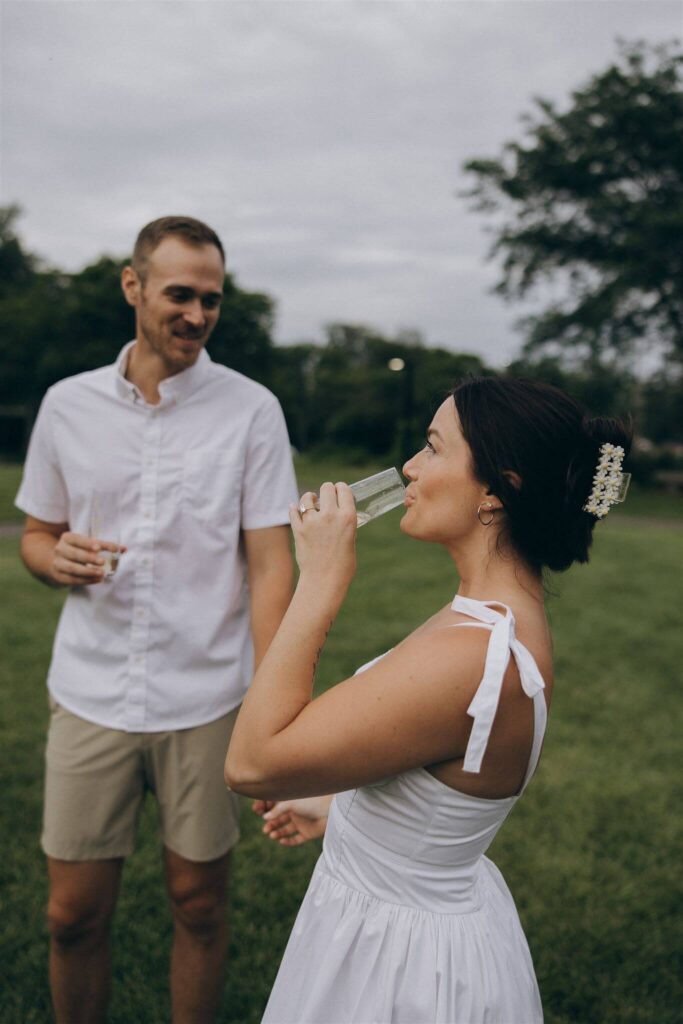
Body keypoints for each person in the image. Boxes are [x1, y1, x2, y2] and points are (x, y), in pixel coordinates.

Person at [226, 376, 632, 1024]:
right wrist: (343, 811)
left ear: (499, 491)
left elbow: (251, 763)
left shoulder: (472, 655)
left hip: (398, 967)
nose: (409, 468)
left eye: (433, 448)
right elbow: (447, 783)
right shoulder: (491, 621)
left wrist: (320, 582)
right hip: (414, 912)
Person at [16, 215, 298, 1024]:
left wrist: (274, 710)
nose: (198, 315)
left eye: (212, 300)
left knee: (199, 906)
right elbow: (37, 536)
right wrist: (52, 558)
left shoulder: (252, 410)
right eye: (180, 294)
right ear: (133, 287)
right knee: (72, 916)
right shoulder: (66, 406)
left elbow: (272, 565)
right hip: (90, 692)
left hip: (206, 700)